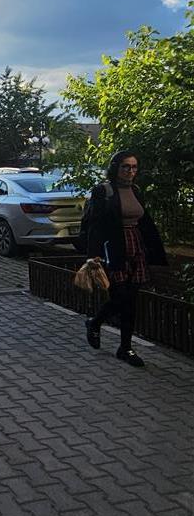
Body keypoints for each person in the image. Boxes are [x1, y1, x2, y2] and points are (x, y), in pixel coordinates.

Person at [84, 149, 167, 368]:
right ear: (116, 168)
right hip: (115, 249)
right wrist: (93, 256)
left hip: (136, 246)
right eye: (126, 167)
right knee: (120, 297)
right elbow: (95, 225)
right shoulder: (104, 191)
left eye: (134, 167)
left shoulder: (136, 190)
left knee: (131, 300)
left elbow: (144, 220)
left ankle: (125, 348)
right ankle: (95, 322)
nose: (130, 171)